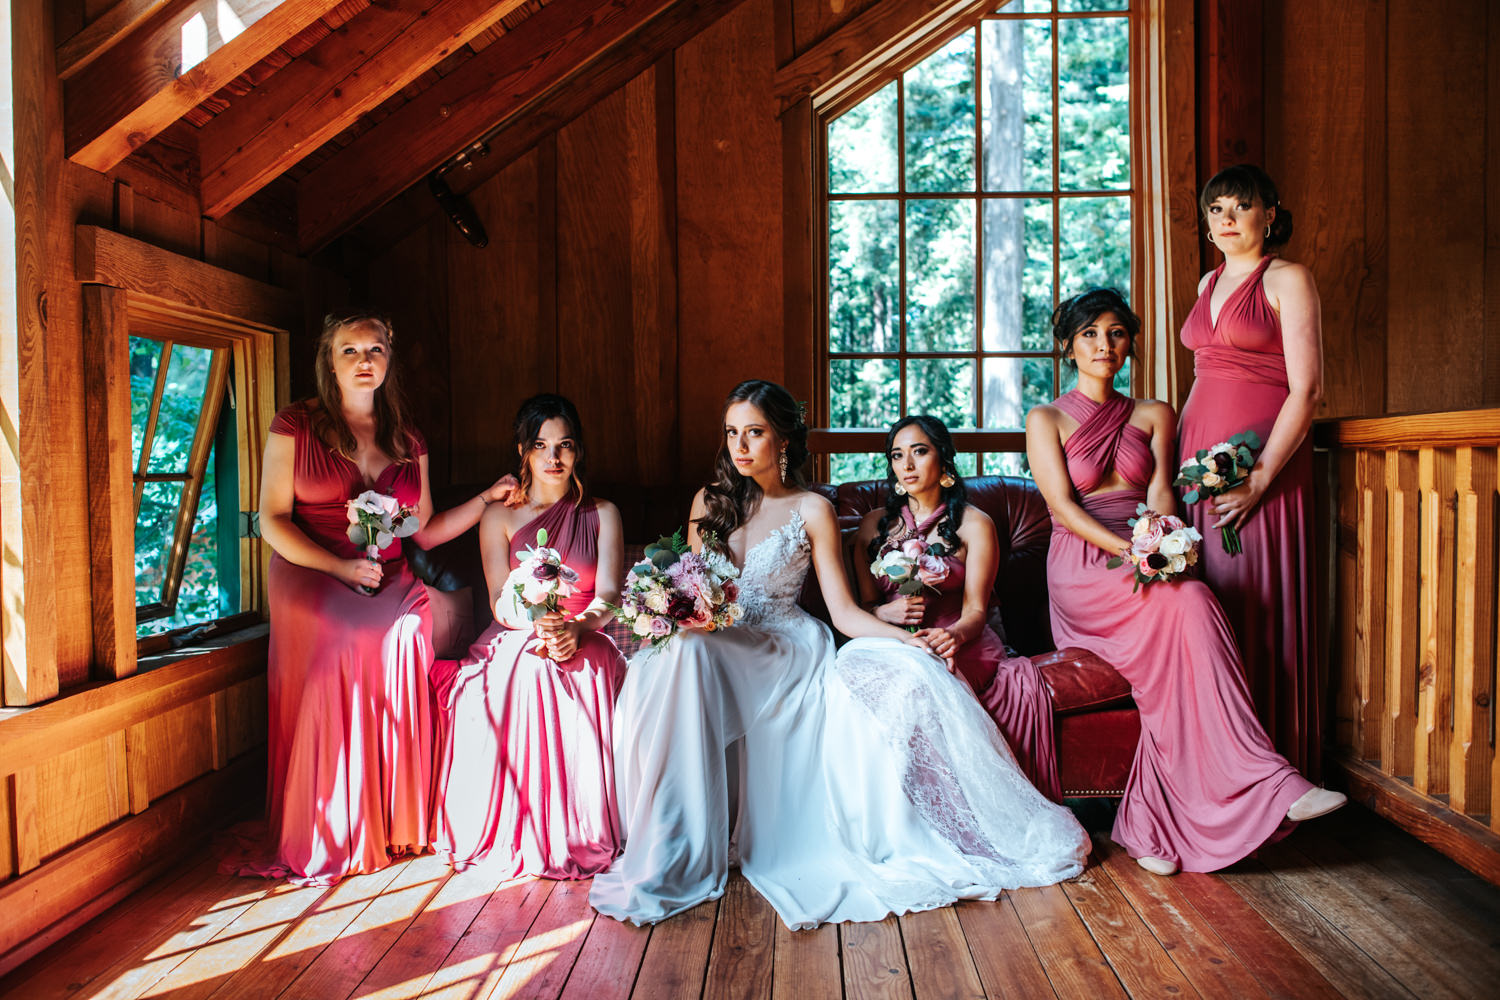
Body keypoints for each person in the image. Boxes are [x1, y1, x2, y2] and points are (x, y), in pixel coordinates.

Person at [589, 379, 1089, 929]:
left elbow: (846, 613)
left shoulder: (812, 508)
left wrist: (909, 640)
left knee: (689, 653)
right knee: (667, 656)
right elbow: (695, 588)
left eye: (754, 433)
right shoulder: (709, 502)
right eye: (732, 433)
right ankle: (668, 846)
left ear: (783, 440)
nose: (740, 446)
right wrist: (675, 610)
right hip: (718, 637)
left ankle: (676, 853)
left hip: (783, 644)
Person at [1026, 289, 1344, 876]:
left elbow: (1160, 492)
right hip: (1084, 563)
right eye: (1090, 334)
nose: (1104, 344)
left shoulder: (1154, 413)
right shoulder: (1045, 418)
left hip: (1145, 545)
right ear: (1068, 346)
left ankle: (1157, 822)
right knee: (1188, 602)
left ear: (1130, 344)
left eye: (1116, 333)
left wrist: (1163, 539)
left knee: (1192, 599)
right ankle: (1261, 789)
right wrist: (1131, 551)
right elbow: (1063, 508)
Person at [241, 311, 515, 886]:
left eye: (375, 350)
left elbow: (426, 531)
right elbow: (271, 520)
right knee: (352, 633)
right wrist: (340, 566)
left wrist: (488, 498)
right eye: (350, 350)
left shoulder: (407, 438)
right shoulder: (294, 424)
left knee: (408, 631)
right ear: (329, 360)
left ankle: (394, 819)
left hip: (385, 573)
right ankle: (334, 826)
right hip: (310, 567)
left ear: (389, 358)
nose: (364, 361)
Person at [431, 394, 627, 878]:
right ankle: (537, 826)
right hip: (517, 628)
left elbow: (608, 596)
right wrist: (539, 623)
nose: (553, 458)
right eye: (541, 445)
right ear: (523, 450)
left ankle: (583, 826)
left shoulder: (603, 513)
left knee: (588, 664)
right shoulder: (499, 516)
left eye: (564, 445)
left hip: (585, 630)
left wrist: (576, 627)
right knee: (534, 666)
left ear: (578, 450)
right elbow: (500, 599)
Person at [1179, 165, 1324, 778]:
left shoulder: (1288, 278)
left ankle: (1275, 775)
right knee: (1212, 601)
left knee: (1262, 603)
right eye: (1216, 209)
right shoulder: (1208, 282)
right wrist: (1177, 465)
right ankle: (1220, 770)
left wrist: (1261, 477)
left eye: (1241, 206)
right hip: (1198, 463)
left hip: (1264, 466)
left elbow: (1308, 390)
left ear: (1270, 214)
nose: (1227, 219)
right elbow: (1203, 378)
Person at [854, 415, 1061, 801]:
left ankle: (945, 807)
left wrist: (953, 636)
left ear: (944, 458)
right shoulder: (873, 526)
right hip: (891, 642)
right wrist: (882, 614)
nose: (907, 464)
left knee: (921, 682)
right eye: (897, 455)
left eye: (919, 452)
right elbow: (865, 605)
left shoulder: (975, 525)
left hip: (961, 642)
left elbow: (977, 612)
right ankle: (888, 809)